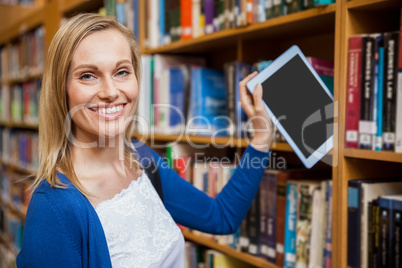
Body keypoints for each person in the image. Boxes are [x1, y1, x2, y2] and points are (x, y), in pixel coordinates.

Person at [16, 13, 274, 267]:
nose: (110, 92)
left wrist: (261, 139)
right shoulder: (52, 207)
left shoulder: (142, 157)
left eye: (122, 72)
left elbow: (221, 217)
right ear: (61, 90)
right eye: (87, 75)